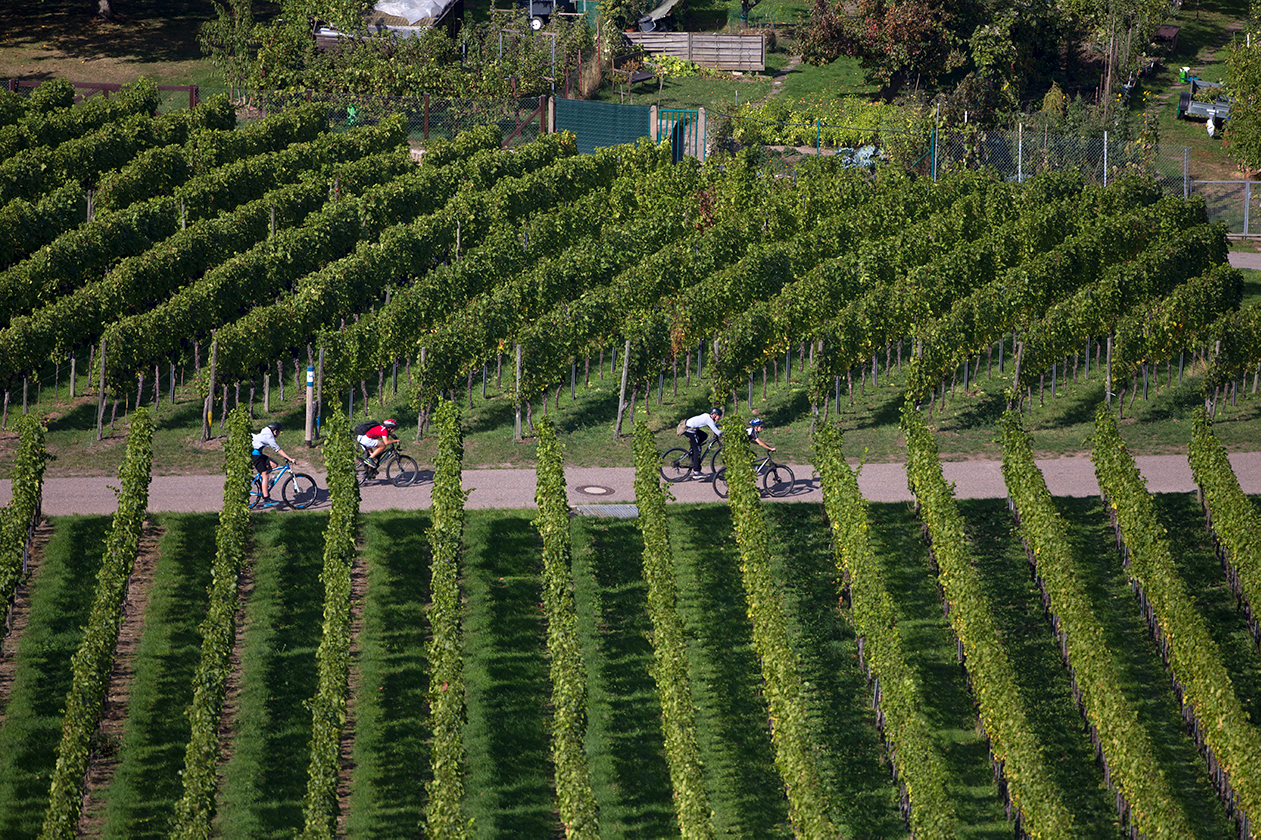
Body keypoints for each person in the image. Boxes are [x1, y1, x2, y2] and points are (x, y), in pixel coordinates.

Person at [251, 421, 293, 507]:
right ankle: (266, 499)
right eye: (279, 431)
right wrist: (289, 458)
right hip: (256, 456)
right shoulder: (269, 436)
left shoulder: (267, 432)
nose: (279, 433)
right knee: (265, 475)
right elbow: (278, 449)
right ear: (275, 431)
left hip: (258, 454)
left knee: (274, 464)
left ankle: (264, 484)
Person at [683, 406, 724, 479]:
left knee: (704, 435)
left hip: (690, 428)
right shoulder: (709, 420)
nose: (719, 418)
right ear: (714, 415)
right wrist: (725, 430)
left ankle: (693, 448)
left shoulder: (707, 416)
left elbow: (711, 425)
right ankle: (696, 472)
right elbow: (718, 432)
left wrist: (718, 425)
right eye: (719, 416)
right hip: (690, 430)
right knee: (698, 449)